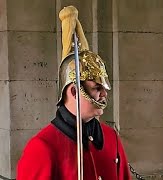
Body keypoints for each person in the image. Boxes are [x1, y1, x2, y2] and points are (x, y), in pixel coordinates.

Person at [17, 6, 131, 180]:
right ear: (74, 92)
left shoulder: (110, 137)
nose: (104, 95)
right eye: (96, 88)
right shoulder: (41, 148)